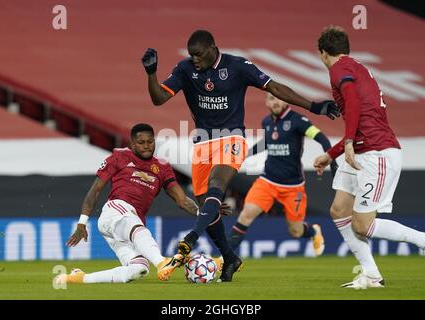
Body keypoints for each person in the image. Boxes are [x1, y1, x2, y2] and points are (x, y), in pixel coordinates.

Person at [142, 29, 339, 282]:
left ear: (213, 48)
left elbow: (275, 87)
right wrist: (151, 74)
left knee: (217, 185)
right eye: (192, 56)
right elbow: (158, 99)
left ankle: (190, 238)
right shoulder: (185, 69)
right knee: (205, 204)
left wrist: (314, 106)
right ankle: (230, 257)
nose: (195, 60)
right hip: (202, 143)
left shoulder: (238, 66)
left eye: (199, 55)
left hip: (232, 138)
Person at [313, 26, 425, 289]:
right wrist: (332, 154)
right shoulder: (356, 67)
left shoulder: (338, 68)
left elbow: (352, 101)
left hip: (377, 153)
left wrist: (349, 141)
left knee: (362, 225)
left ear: (322, 53)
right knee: (339, 210)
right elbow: (361, 118)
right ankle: (372, 275)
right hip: (363, 149)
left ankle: (422, 239)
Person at [55, 123, 207, 284]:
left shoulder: (162, 167)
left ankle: (81, 278)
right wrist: (82, 223)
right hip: (115, 212)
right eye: (141, 143)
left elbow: (182, 200)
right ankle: (162, 262)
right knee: (135, 225)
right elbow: (95, 190)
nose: (147, 146)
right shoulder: (119, 157)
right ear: (132, 144)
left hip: (128, 225)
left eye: (150, 142)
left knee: (139, 269)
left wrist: (203, 212)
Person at [227, 93, 338, 257]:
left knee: (296, 231)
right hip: (267, 181)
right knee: (245, 215)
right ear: (266, 102)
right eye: (271, 98)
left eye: (279, 97)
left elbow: (321, 137)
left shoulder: (298, 121)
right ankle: (224, 259)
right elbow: (267, 142)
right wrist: (245, 155)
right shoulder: (266, 122)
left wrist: (331, 159)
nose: (276, 101)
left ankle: (313, 231)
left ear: (286, 100)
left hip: (293, 186)